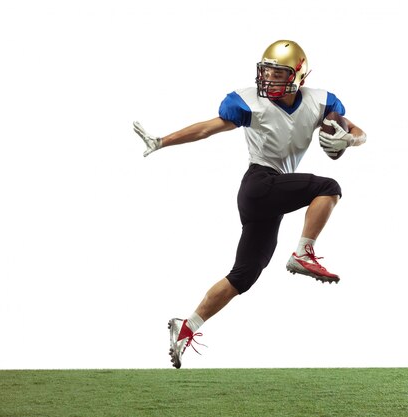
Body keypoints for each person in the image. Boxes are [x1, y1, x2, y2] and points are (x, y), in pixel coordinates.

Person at [133, 40, 366, 368]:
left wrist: (351, 139)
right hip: (260, 185)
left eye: (278, 72)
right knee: (328, 187)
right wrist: (162, 141)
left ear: (299, 75)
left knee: (245, 274)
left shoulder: (319, 101)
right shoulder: (249, 102)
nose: (269, 77)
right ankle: (303, 253)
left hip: (272, 193)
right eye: (266, 70)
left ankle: (186, 327)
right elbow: (206, 129)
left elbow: (355, 129)